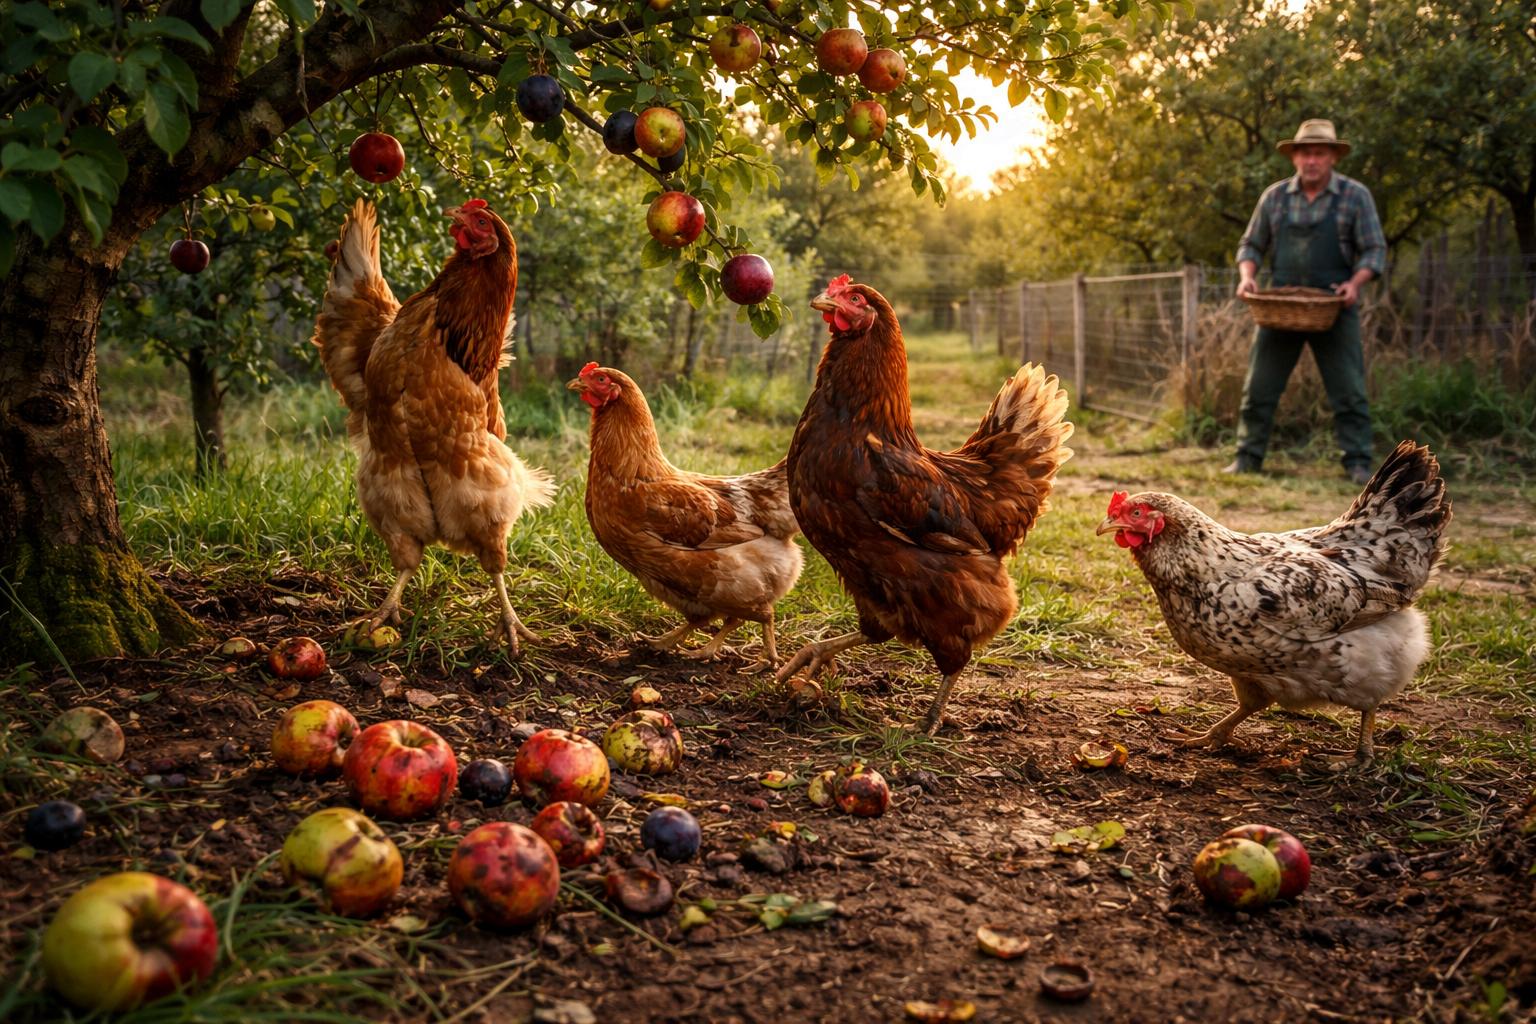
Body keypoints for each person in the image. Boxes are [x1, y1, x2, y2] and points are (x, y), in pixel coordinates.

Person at [1229, 118, 1386, 485]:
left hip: (1335, 306)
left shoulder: (1354, 196)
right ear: (1294, 158)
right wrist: (1247, 276)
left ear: (1332, 157)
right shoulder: (1275, 197)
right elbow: (1250, 245)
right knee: (1260, 386)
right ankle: (1247, 458)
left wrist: (1355, 284)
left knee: (1349, 389)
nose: (1311, 160)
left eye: (1319, 153)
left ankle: (1358, 462)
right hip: (1279, 307)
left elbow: (1375, 249)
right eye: (1305, 154)